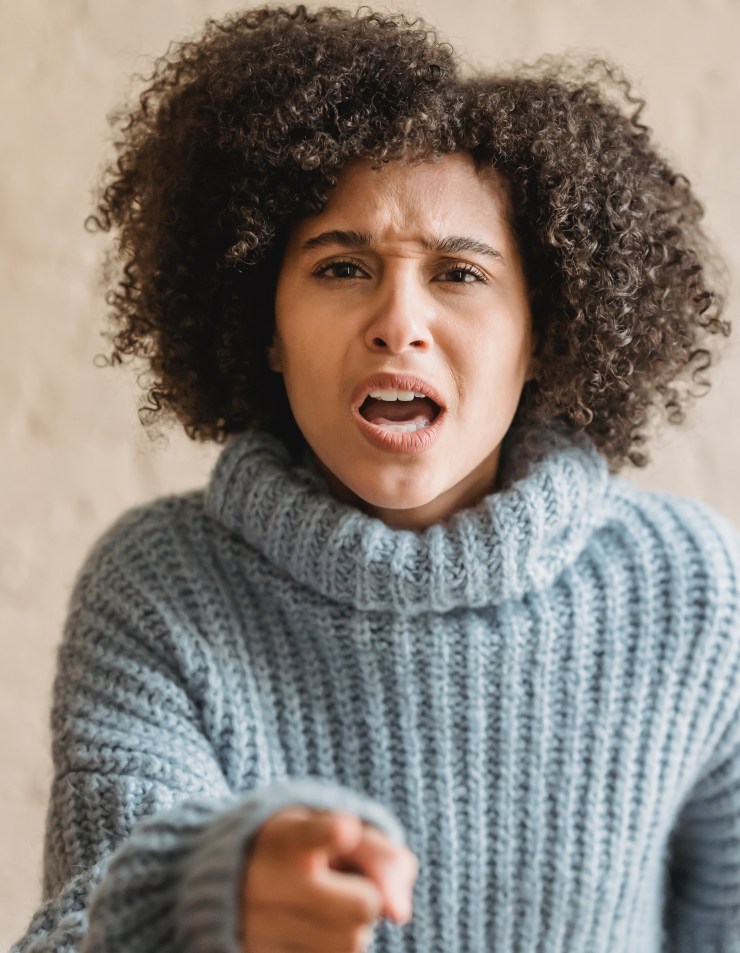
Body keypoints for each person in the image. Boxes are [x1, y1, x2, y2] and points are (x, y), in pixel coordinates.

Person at [12, 5, 740, 953]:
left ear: (542, 333)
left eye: (460, 274)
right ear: (264, 325)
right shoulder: (159, 589)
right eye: (343, 266)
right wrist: (205, 897)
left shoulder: (691, 589)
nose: (399, 322)